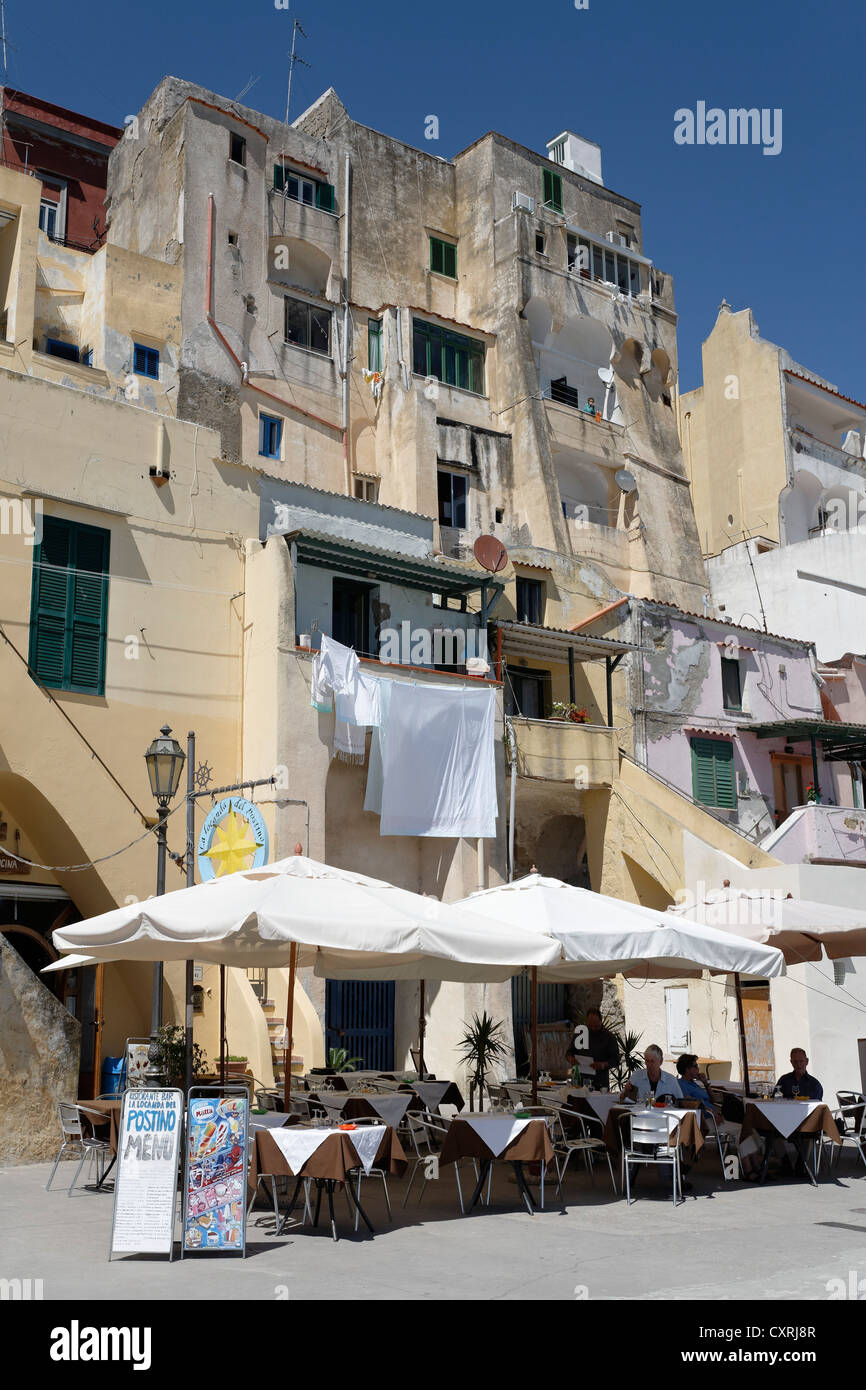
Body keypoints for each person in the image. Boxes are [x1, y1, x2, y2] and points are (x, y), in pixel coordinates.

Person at [676, 1054, 721, 1118]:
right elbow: (691, 1102)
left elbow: (713, 1100)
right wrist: (712, 1112)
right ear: (687, 1069)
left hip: (713, 1114)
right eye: (696, 1066)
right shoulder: (681, 1084)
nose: (698, 1069)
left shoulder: (694, 1084)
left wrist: (705, 1083)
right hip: (706, 1118)